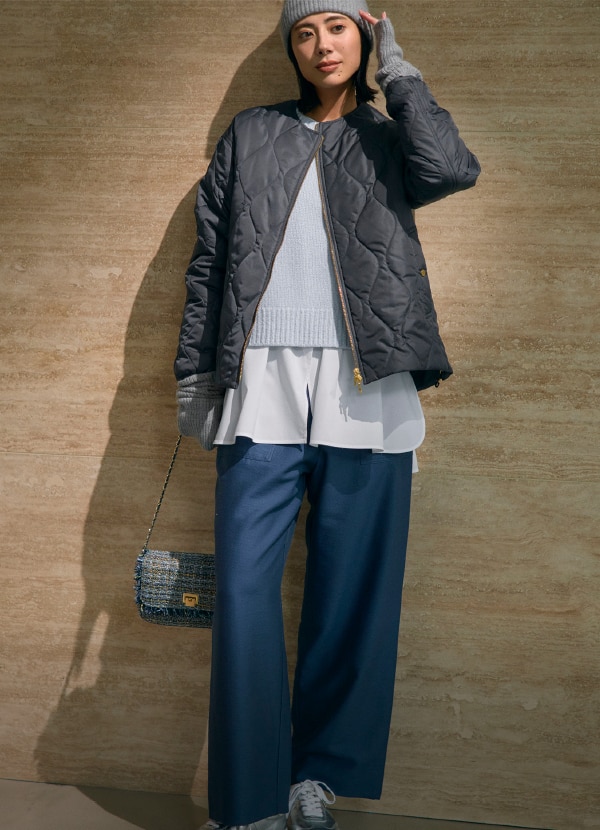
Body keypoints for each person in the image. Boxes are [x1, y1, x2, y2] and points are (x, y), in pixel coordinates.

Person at [174, 2, 480, 828]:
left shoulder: (388, 133)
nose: (321, 45)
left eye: (338, 26)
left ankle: (315, 777)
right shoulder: (252, 132)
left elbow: (452, 169)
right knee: (244, 592)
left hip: (366, 384)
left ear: (364, 36)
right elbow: (210, 257)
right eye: (305, 32)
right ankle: (249, 800)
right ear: (292, 47)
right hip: (262, 384)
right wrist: (195, 375)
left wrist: (400, 74)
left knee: (353, 595)